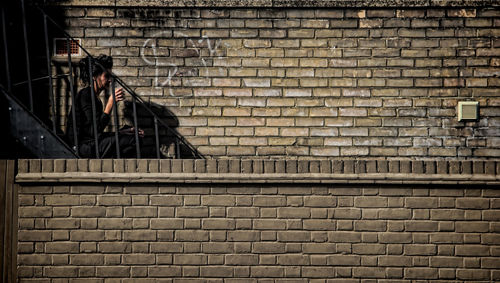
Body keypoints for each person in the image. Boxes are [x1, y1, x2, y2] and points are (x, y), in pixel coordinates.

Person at [66, 54, 143, 158]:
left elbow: (95, 132)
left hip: (91, 143)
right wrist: (110, 103)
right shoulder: (85, 95)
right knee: (134, 140)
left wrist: (122, 132)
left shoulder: (95, 98)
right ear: (94, 76)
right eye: (106, 76)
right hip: (82, 147)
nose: (110, 80)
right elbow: (94, 131)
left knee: (134, 135)